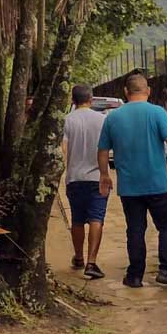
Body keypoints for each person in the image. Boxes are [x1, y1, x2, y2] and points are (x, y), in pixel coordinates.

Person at [97, 73, 167, 289]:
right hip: (158, 183)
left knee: (135, 229)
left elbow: (103, 151)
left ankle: (135, 276)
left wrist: (104, 175)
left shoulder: (112, 117)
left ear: (126, 93)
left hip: (129, 187)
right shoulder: (157, 112)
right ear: (147, 91)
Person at [62, 85, 109, 280]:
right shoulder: (103, 120)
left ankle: (79, 257)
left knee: (78, 219)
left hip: (74, 177)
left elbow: (63, 148)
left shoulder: (67, 120)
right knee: (96, 218)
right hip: (97, 177)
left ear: (73, 100)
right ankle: (92, 262)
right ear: (91, 99)